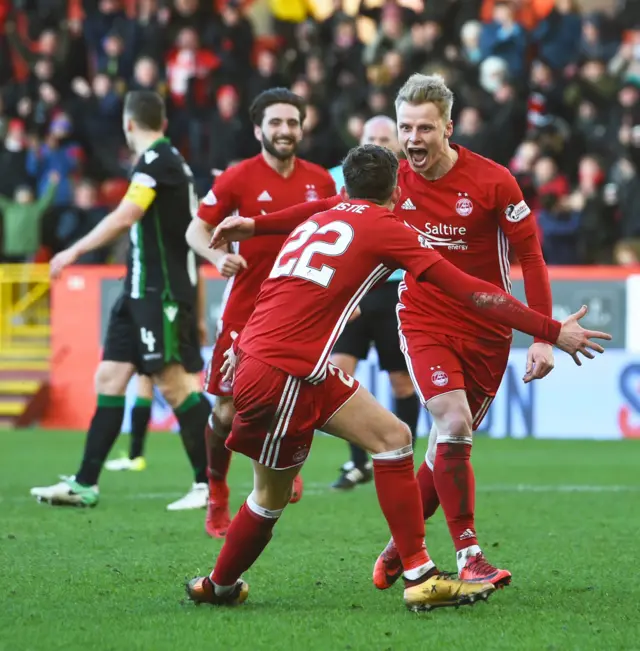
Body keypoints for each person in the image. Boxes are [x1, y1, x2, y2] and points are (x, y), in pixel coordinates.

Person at [187, 144, 609, 611]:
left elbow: (291, 254)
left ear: (345, 187)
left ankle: (418, 572)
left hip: (278, 359)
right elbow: (474, 293)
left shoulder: (319, 220)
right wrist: (552, 330)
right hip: (284, 372)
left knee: (394, 438)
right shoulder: (385, 226)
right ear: (394, 192)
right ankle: (219, 585)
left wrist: (252, 235)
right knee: (269, 496)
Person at [30, 90, 211, 510]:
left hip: (158, 293)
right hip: (137, 292)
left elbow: (127, 214)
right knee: (109, 378)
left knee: (174, 383)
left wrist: (71, 251)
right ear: (161, 121)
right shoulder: (169, 163)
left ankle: (208, 485)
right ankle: (85, 483)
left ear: (129, 124)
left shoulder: (157, 161)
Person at [185, 87, 336, 538]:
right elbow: (197, 228)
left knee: (290, 401)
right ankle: (216, 491)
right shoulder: (237, 178)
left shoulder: (320, 182)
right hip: (244, 310)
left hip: (299, 312)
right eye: (275, 123)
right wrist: (216, 259)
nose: (285, 130)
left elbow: (336, 233)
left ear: (301, 128)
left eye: (292, 122)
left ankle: (279, 465)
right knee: (228, 410)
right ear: (258, 130)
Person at [328, 115, 420, 491]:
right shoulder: (337, 177)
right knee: (339, 372)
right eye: (371, 137)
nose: (379, 142)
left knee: (401, 381)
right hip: (353, 286)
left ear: (397, 143)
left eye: (385, 137)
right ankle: (356, 462)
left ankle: (403, 458)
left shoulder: (411, 180)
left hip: (393, 288)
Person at [105, 270, 209, 472]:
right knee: (145, 380)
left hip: (169, 317)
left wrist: (199, 319)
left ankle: (209, 461)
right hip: (157, 316)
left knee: (184, 386)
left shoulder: (170, 251)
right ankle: (136, 455)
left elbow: (198, 274)